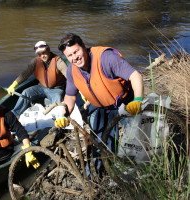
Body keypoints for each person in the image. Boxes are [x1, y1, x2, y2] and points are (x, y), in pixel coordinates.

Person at [54, 33, 144, 175]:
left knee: (135, 140)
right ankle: (99, 173)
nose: (75, 58)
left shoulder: (106, 58)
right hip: (100, 105)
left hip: (124, 101)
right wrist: (62, 114)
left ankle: (138, 171)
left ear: (83, 46)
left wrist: (138, 100)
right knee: (99, 141)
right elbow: (70, 97)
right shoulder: (72, 70)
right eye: (70, 56)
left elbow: (135, 76)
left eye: (76, 51)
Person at [6, 41, 68, 118]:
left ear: (48, 50)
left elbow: (69, 76)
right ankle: (14, 115)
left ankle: (59, 118)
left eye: (44, 52)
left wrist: (79, 91)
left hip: (56, 89)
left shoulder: (58, 61)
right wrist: (14, 85)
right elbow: (25, 74)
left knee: (58, 100)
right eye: (39, 54)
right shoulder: (35, 61)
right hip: (41, 87)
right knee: (26, 92)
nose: (42, 56)